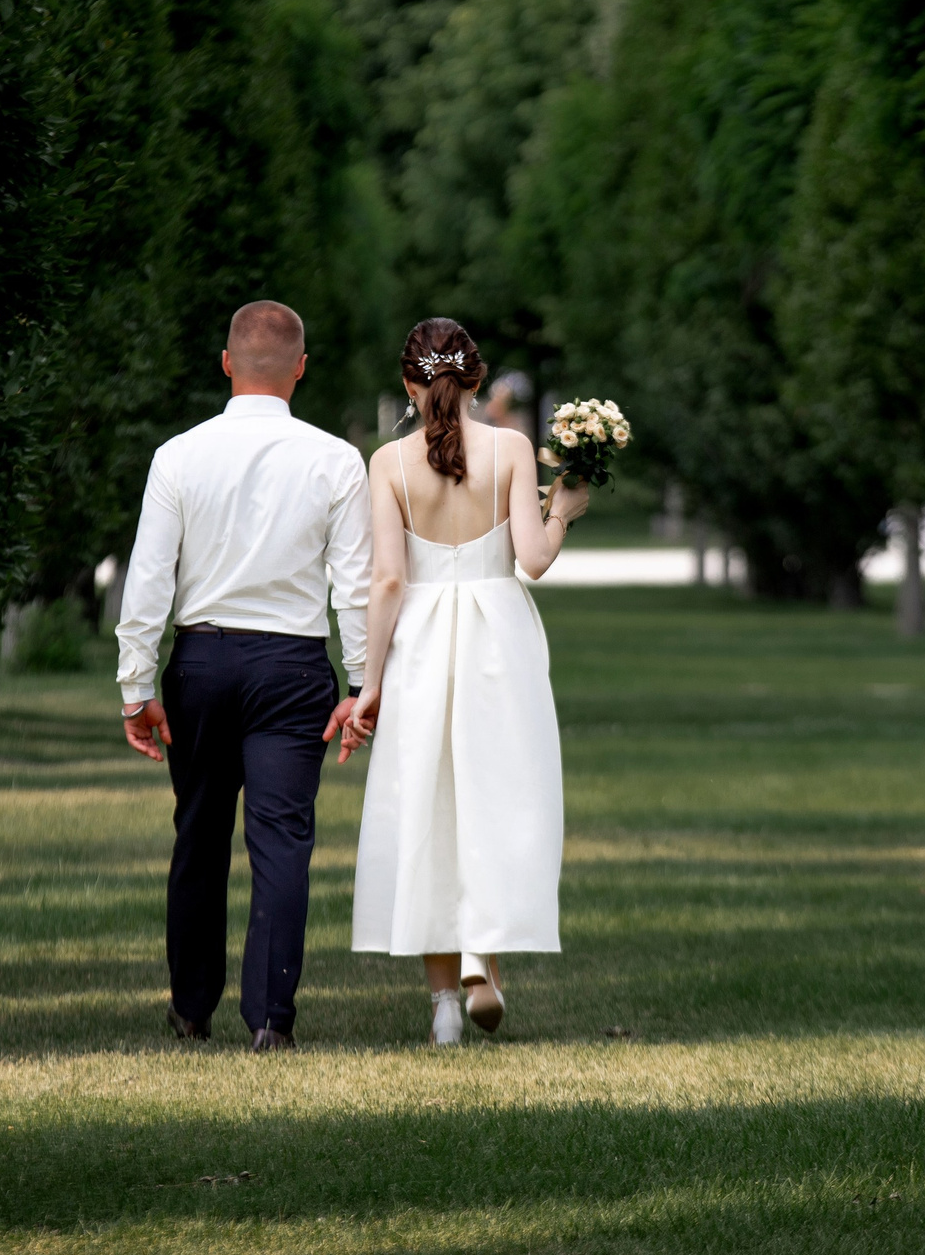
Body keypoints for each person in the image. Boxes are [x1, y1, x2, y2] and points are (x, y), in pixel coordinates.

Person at [114, 301, 370, 1052]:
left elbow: (149, 577)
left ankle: (191, 1006)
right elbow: (352, 585)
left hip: (202, 659)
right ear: (301, 367)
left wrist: (137, 686)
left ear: (226, 363)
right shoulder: (335, 459)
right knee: (282, 840)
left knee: (198, 833)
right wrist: (360, 680)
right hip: (292, 666)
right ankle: (269, 1018)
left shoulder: (178, 455)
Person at [341, 319, 590, 1044]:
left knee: (427, 800)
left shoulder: (387, 463)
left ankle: (444, 1001)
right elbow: (534, 559)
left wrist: (370, 678)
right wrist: (562, 512)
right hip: (497, 637)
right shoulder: (511, 447)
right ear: (476, 380)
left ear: (409, 384)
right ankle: (484, 958)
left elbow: (387, 579)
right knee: (497, 792)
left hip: (420, 639)